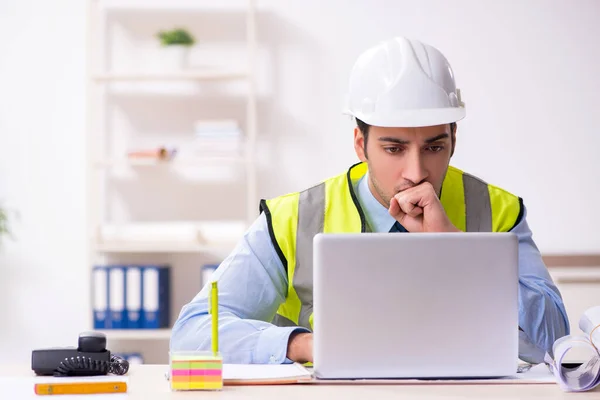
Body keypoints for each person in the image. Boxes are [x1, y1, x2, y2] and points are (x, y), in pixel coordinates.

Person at [170, 36, 570, 365]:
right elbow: (192, 333)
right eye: (394, 149)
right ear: (361, 144)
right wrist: (305, 346)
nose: (416, 172)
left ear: (453, 140)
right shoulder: (294, 217)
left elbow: (556, 340)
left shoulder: (495, 209)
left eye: (434, 146)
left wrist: (458, 250)